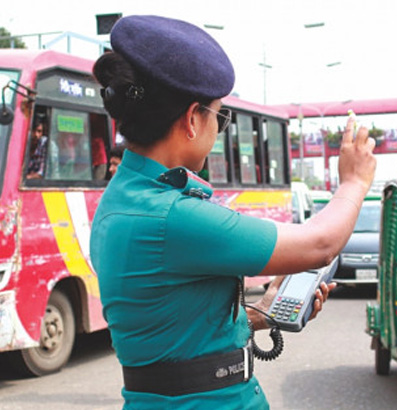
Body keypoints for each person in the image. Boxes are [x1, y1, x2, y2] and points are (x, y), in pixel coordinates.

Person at [89, 15, 376, 410]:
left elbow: (171, 329)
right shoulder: (170, 215)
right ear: (192, 119)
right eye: (219, 116)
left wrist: (261, 313)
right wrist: (354, 183)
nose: (218, 129)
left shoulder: (125, 199)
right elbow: (321, 243)